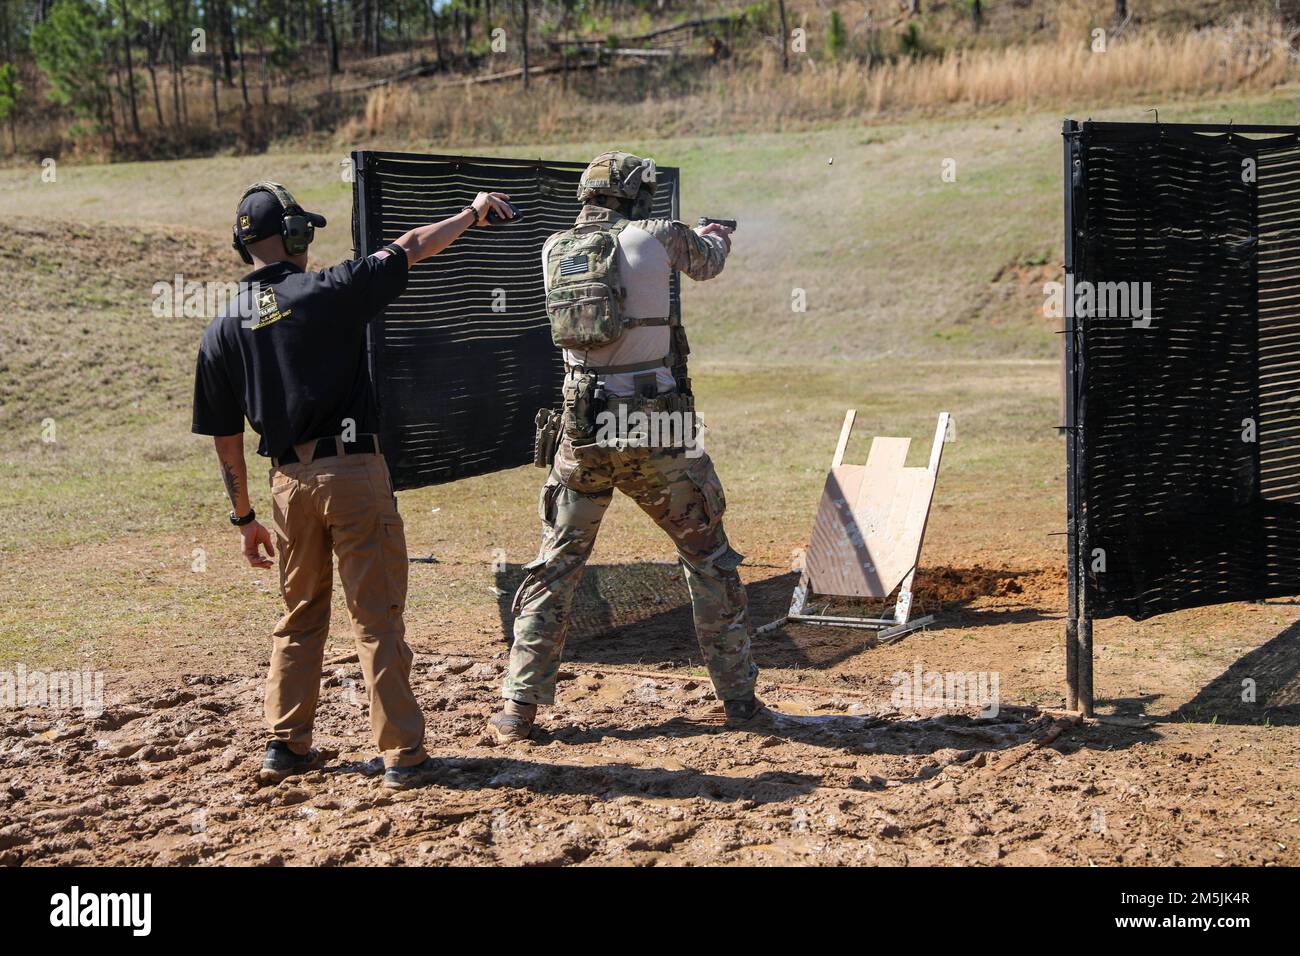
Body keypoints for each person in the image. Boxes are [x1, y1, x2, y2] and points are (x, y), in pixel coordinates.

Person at [192, 180, 514, 789]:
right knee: (376, 618)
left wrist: (243, 519)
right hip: (354, 472)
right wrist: (471, 211)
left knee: (299, 617)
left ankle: (285, 745)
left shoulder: (221, 327)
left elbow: (225, 439)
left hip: (287, 485)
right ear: (293, 237)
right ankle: (402, 755)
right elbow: (413, 245)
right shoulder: (329, 289)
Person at [487, 151, 762, 743]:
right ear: (637, 197)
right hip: (655, 429)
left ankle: (518, 705)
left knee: (556, 565)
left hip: (580, 428)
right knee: (709, 559)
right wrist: (714, 235)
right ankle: (739, 700)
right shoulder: (658, 234)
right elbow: (708, 264)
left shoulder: (553, 248)